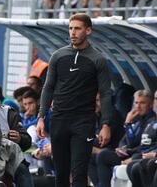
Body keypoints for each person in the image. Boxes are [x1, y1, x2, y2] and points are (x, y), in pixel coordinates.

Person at [36, 13, 113, 187]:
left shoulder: (98, 59)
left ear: (88, 30)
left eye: (77, 28)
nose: (72, 32)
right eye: (70, 28)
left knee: (79, 174)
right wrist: (41, 117)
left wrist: (106, 124)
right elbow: (48, 88)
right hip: (59, 120)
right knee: (61, 174)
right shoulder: (57, 56)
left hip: (83, 122)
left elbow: (106, 93)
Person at [96, 90, 155, 187]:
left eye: (142, 103)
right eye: (136, 102)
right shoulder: (135, 118)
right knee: (101, 155)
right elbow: (124, 140)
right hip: (129, 154)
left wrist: (127, 124)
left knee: (103, 155)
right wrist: (122, 148)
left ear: (150, 105)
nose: (138, 106)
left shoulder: (151, 121)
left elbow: (140, 143)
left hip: (138, 156)